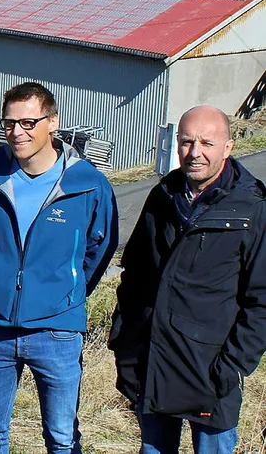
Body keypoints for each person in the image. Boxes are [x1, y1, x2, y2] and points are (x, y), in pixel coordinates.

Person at [0, 82, 118, 453]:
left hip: (57, 330)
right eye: (10, 123)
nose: (17, 132)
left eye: (29, 122)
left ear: (53, 122)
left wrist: (66, 289)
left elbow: (100, 248)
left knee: (61, 438)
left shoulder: (87, 184)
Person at [109, 105, 266, 454]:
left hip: (208, 374)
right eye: (186, 142)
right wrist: (125, 339)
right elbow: (134, 274)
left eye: (207, 143)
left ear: (228, 147)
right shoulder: (162, 197)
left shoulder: (251, 208)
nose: (195, 153)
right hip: (153, 363)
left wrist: (230, 367)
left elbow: (262, 301)